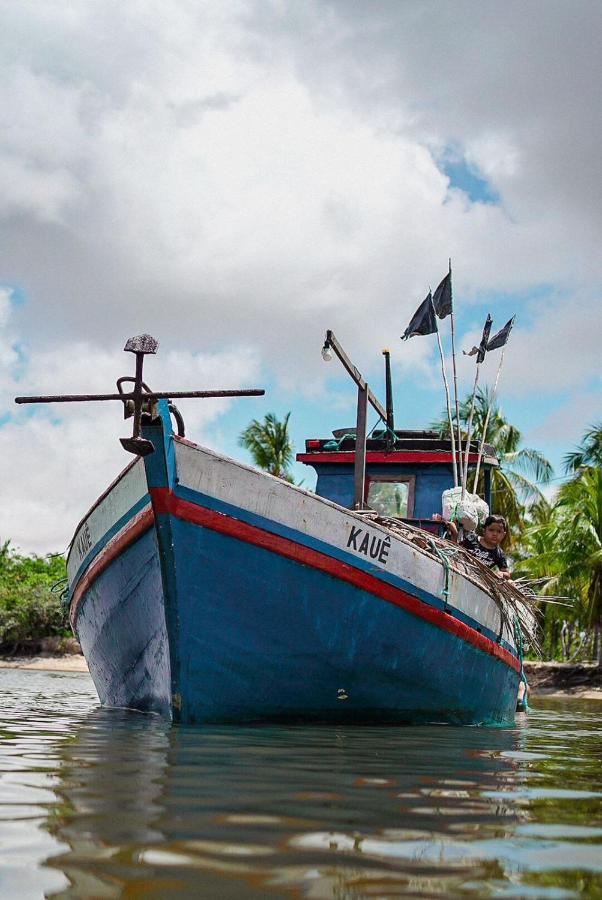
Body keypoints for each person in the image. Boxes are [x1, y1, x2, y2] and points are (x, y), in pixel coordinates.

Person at [433, 514, 511, 579]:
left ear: (504, 534)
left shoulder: (499, 554)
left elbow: (507, 573)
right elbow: (455, 549)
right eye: (491, 530)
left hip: (478, 580)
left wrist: (502, 574)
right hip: (460, 571)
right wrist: (455, 533)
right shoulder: (471, 538)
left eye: (499, 531)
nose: (495, 534)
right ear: (484, 531)